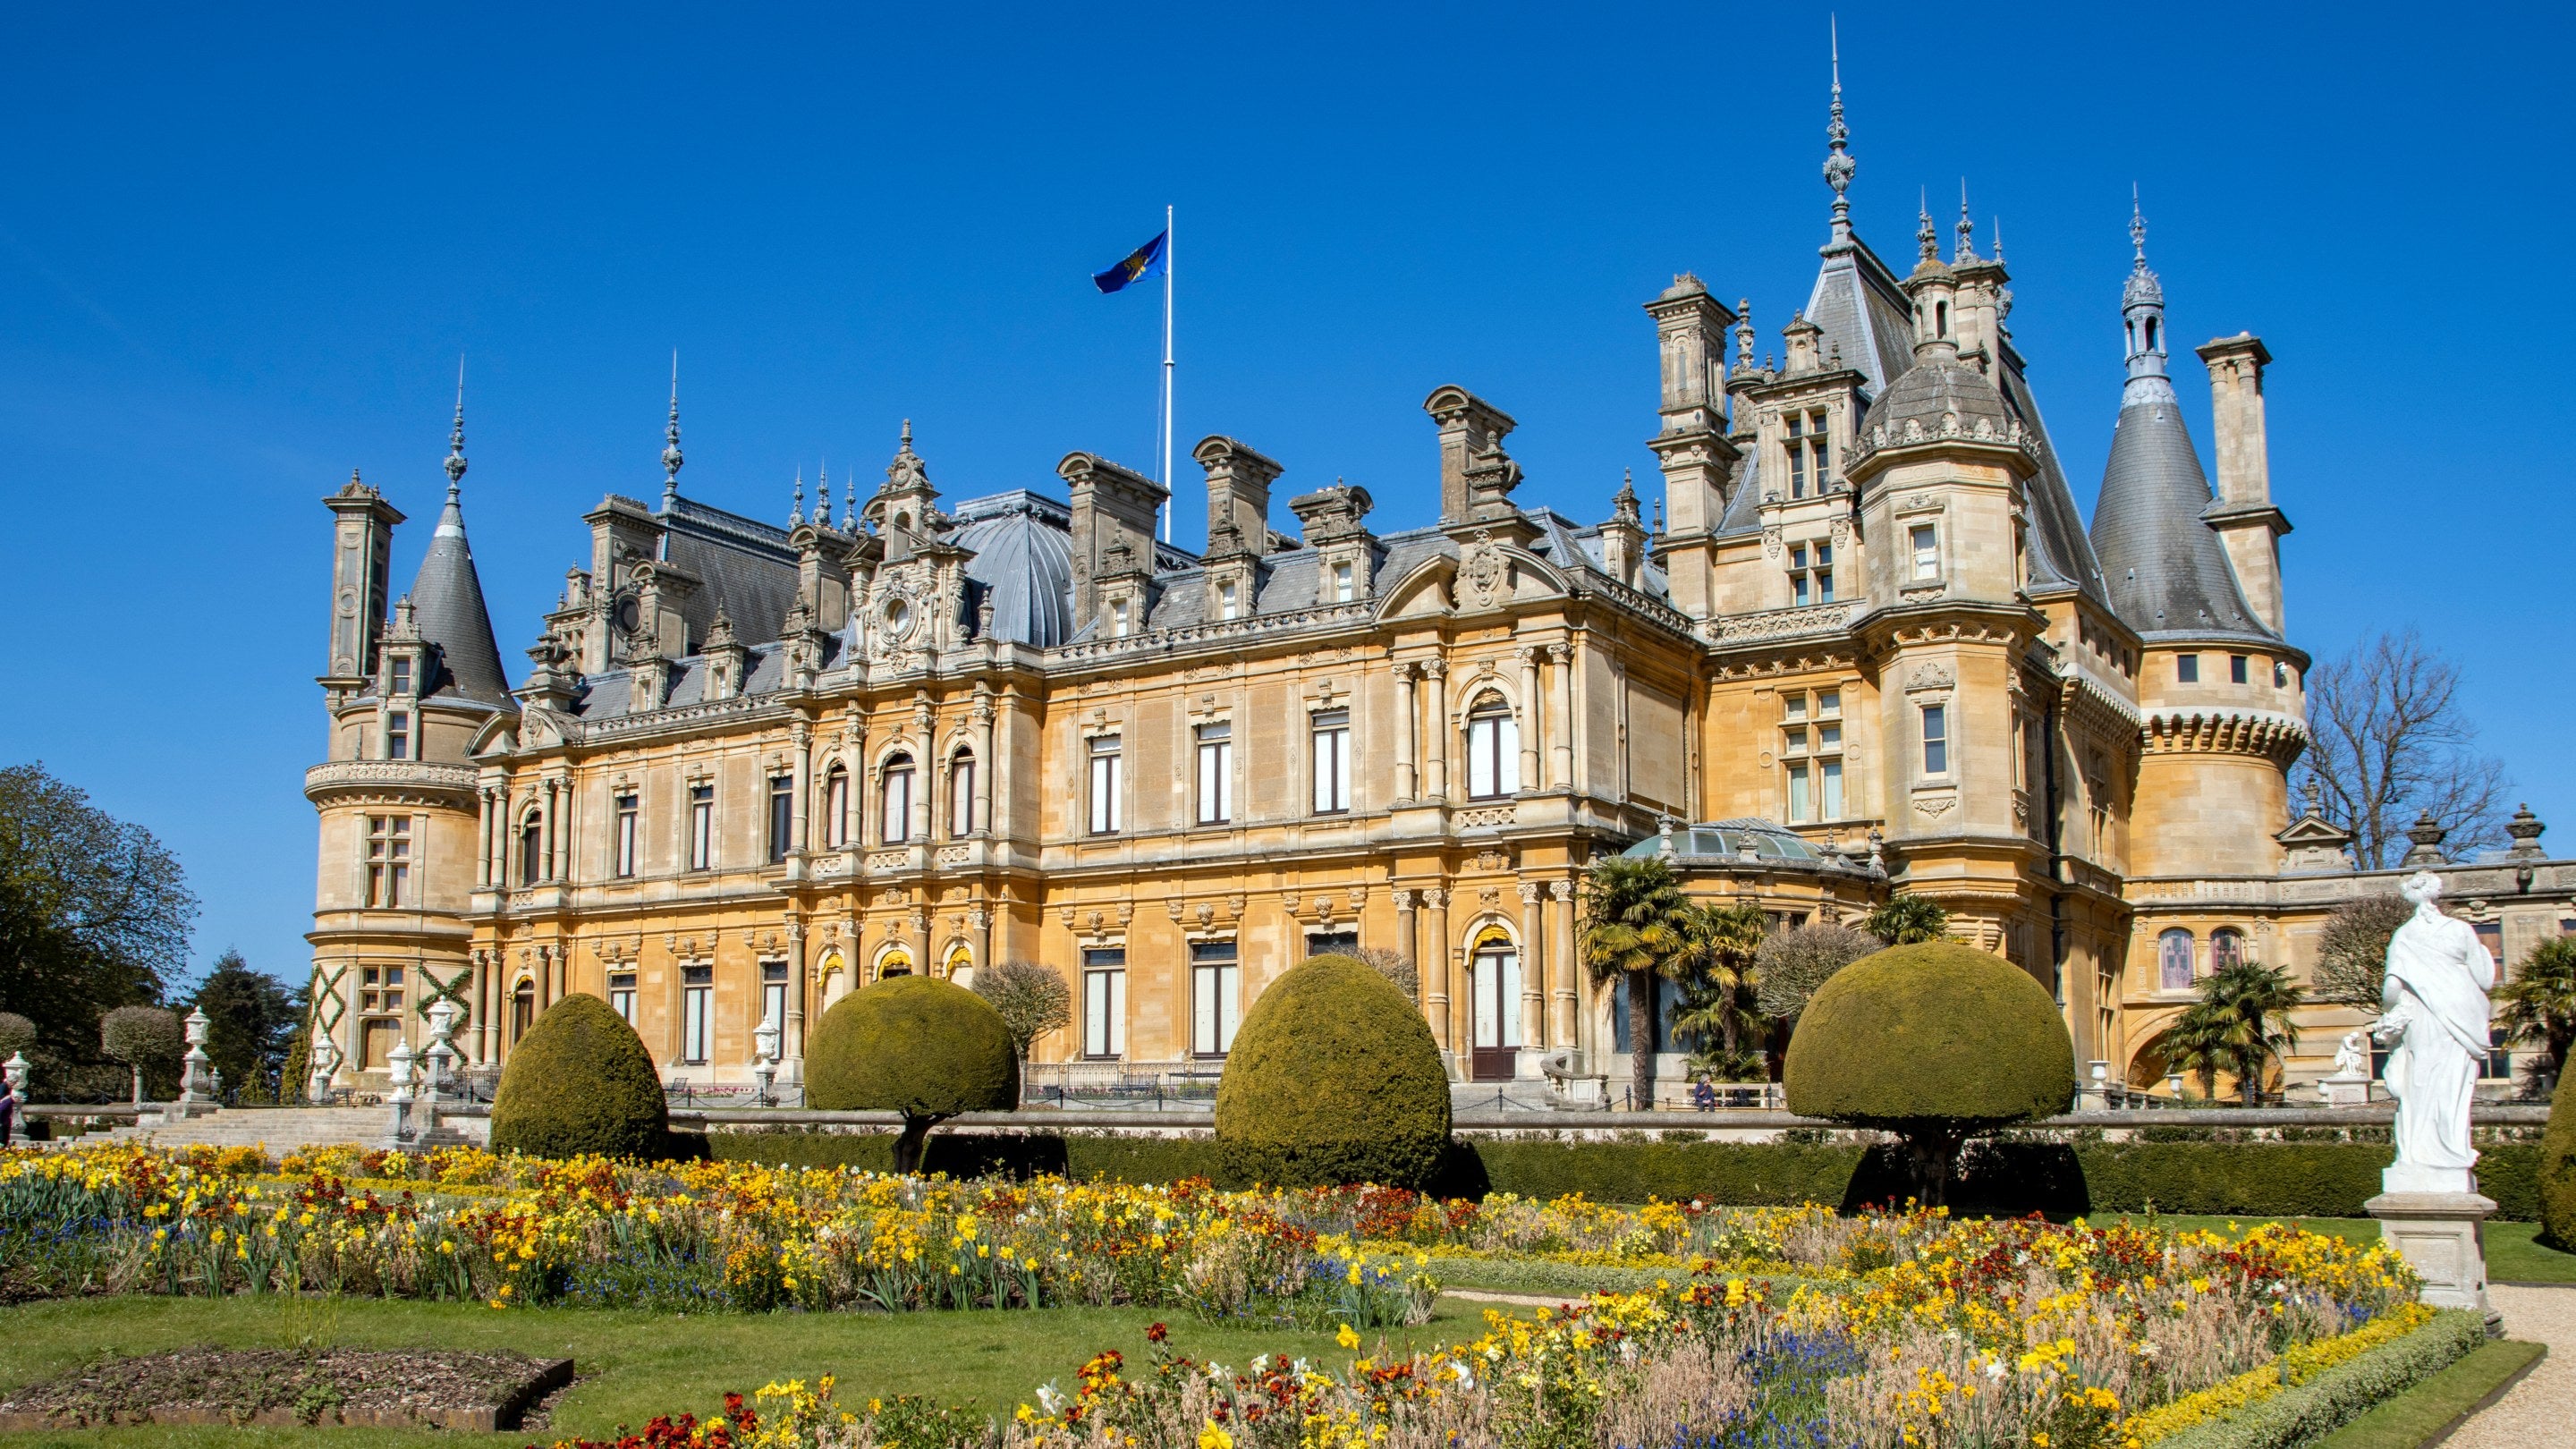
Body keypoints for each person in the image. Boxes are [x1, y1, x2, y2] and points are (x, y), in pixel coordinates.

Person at [2372, 871, 2496, 1191]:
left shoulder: (2404, 935)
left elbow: (2391, 989)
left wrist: (2392, 1016)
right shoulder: (2460, 929)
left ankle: (2416, 1155)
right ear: (2437, 894)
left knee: (2419, 1086)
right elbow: (2484, 979)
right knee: (2452, 1089)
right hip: (2462, 1012)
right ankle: (2452, 1152)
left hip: (2422, 1015)